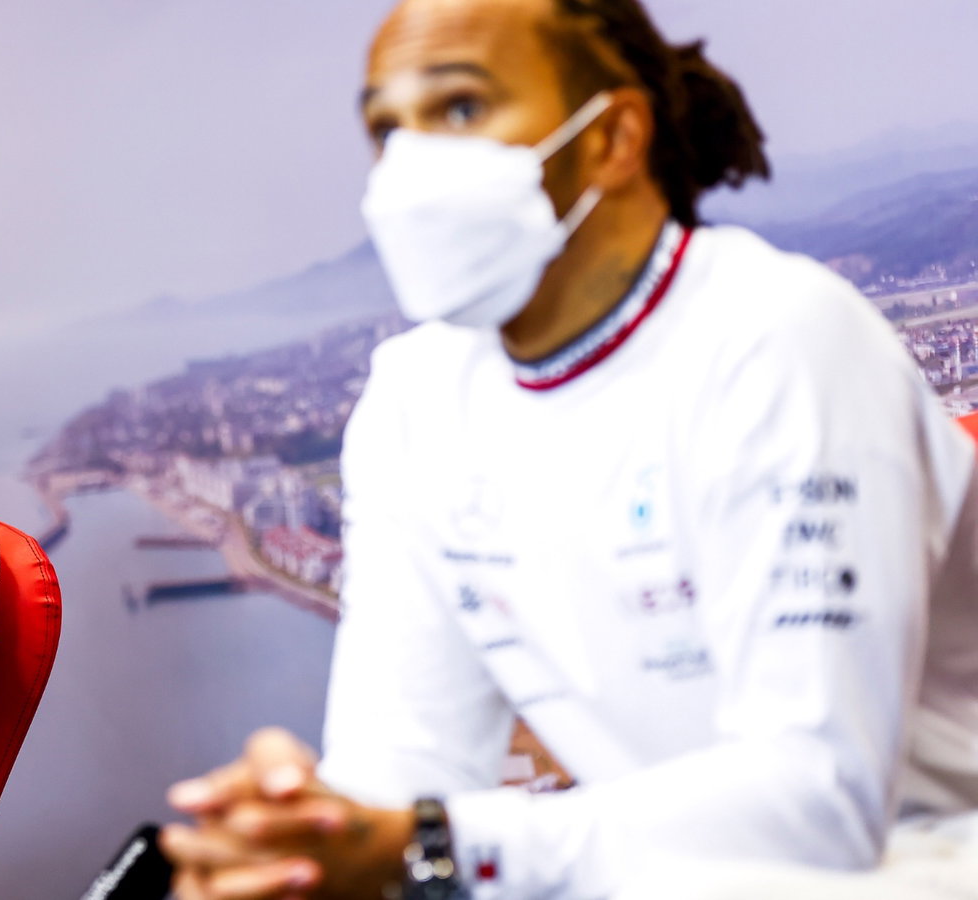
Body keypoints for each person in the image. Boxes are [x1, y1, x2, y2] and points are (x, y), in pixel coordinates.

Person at [159, 0, 978, 897]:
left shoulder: (782, 338)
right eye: (386, 128)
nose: (408, 164)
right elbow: (406, 771)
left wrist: (431, 844)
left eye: (460, 108)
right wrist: (305, 829)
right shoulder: (411, 404)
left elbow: (822, 803)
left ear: (614, 135)